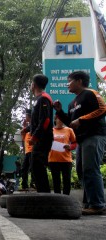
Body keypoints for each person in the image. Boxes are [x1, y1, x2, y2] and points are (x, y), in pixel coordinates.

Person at [53, 71, 106, 215]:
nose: (67, 84)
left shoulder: (90, 93)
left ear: (79, 81)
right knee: (82, 171)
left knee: (91, 169)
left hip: (94, 135)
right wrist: (59, 111)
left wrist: (81, 119)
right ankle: (89, 203)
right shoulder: (71, 103)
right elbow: (70, 122)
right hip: (82, 139)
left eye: (69, 81)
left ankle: (98, 204)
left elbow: (103, 109)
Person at [29, 74, 53, 193]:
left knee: (37, 165)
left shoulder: (43, 98)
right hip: (40, 138)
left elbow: (46, 120)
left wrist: (35, 136)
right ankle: (42, 194)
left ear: (34, 85)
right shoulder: (39, 99)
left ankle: (45, 195)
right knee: (36, 166)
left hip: (42, 138)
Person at [48, 116, 76, 195]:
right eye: (59, 118)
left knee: (66, 181)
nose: (60, 120)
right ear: (55, 120)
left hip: (66, 160)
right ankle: (58, 199)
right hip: (53, 160)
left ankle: (67, 198)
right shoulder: (50, 131)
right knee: (56, 181)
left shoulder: (69, 130)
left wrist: (70, 147)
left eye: (62, 119)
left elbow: (75, 143)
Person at [20, 108, 35, 190]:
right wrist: (24, 127)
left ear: (29, 116)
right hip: (27, 152)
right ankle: (24, 185)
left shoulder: (34, 126)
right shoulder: (26, 129)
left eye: (26, 116)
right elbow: (23, 138)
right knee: (24, 168)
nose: (25, 118)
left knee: (32, 168)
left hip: (33, 150)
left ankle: (33, 183)